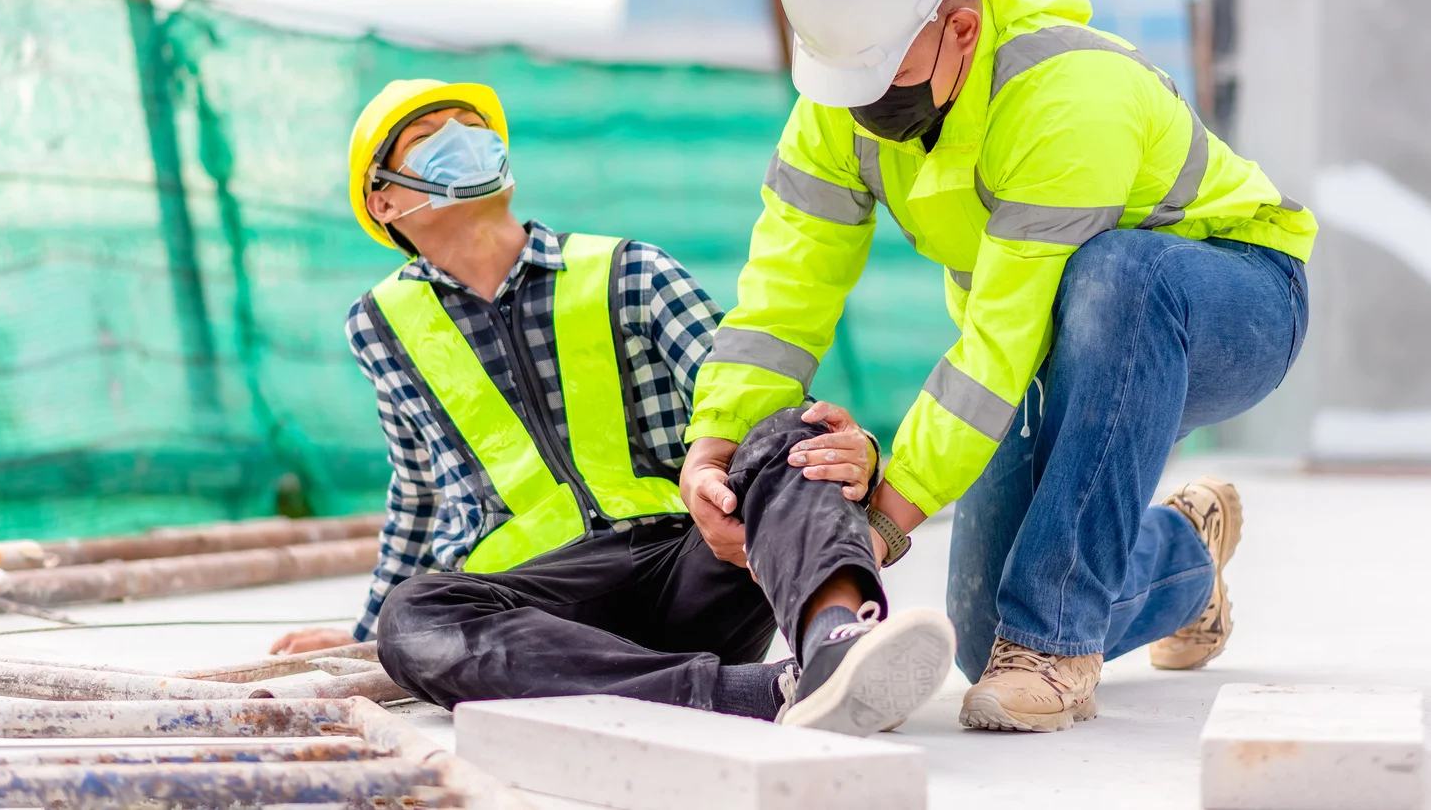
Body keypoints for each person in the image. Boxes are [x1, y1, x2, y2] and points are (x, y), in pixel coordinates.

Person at [682, 0, 1315, 733]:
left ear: (962, 29)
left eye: (883, 75)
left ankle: (1056, 648)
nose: (865, 106)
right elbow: (784, 291)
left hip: (1230, 304)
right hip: (1055, 342)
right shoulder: (841, 105)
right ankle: (1185, 560)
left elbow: (999, 344)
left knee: (1115, 276)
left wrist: (880, 520)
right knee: (984, 633)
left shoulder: (1067, 96)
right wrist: (715, 447)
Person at [270, 78, 954, 735]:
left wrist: (857, 451)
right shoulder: (379, 325)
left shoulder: (630, 271)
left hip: (685, 561)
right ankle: (760, 692)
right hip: (537, 607)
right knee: (411, 617)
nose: (462, 141)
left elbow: (751, 394)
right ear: (385, 201)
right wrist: (367, 630)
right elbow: (419, 493)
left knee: (785, 428)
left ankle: (835, 645)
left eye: (475, 130)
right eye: (428, 138)